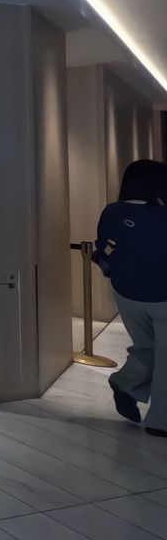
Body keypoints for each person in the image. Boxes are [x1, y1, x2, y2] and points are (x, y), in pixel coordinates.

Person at [95, 159, 167, 438]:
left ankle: (126, 384)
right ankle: (160, 420)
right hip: (162, 295)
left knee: (146, 347)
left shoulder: (112, 211)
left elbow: (103, 248)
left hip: (126, 293)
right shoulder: (162, 215)